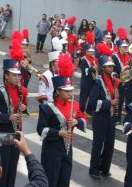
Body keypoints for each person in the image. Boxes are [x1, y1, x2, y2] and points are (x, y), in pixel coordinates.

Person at [37, 53, 87, 187]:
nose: (70, 94)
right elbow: (40, 129)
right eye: (67, 91)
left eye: (71, 90)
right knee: (51, 181)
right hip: (52, 150)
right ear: (58, 91)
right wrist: (59, 133)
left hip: (68, 148)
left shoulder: (74, 105)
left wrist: (78, 122)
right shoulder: (47, 108)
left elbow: (83, 118)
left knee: (64, 181)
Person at [0, 53, 28, 187]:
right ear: (6, 76)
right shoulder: (0, 92)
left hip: (17, 131)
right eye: (14, 75)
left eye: (18, 75)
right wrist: (8, 117)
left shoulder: (20, 90)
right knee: (4, 164)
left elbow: (22, 107)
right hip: (4, 132)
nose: (17, 78)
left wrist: (24, 107)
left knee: (13, 164)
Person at [88, 55, 119, 179]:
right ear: (103, 67)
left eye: (112, 66)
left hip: (110, 117)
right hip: (100, 117)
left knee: (110, 143)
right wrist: (109, 103)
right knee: (98, 143)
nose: (111, 68)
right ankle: (94, 169)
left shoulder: (112, 80)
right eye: (109, 66)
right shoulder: (97, 82)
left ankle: (104, 167)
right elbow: (93, 103)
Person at [79, 33, 98, 113]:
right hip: (86, 81)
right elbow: (85, 71)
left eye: (92, 51)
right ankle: (81, 110)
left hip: (93, 81)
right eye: (90, 51)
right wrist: (92, 68)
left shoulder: (94, 59)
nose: (92, 52)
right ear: (86, 52)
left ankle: (89, 111)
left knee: (92, 97)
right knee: (84, 97)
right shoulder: (83, 59)